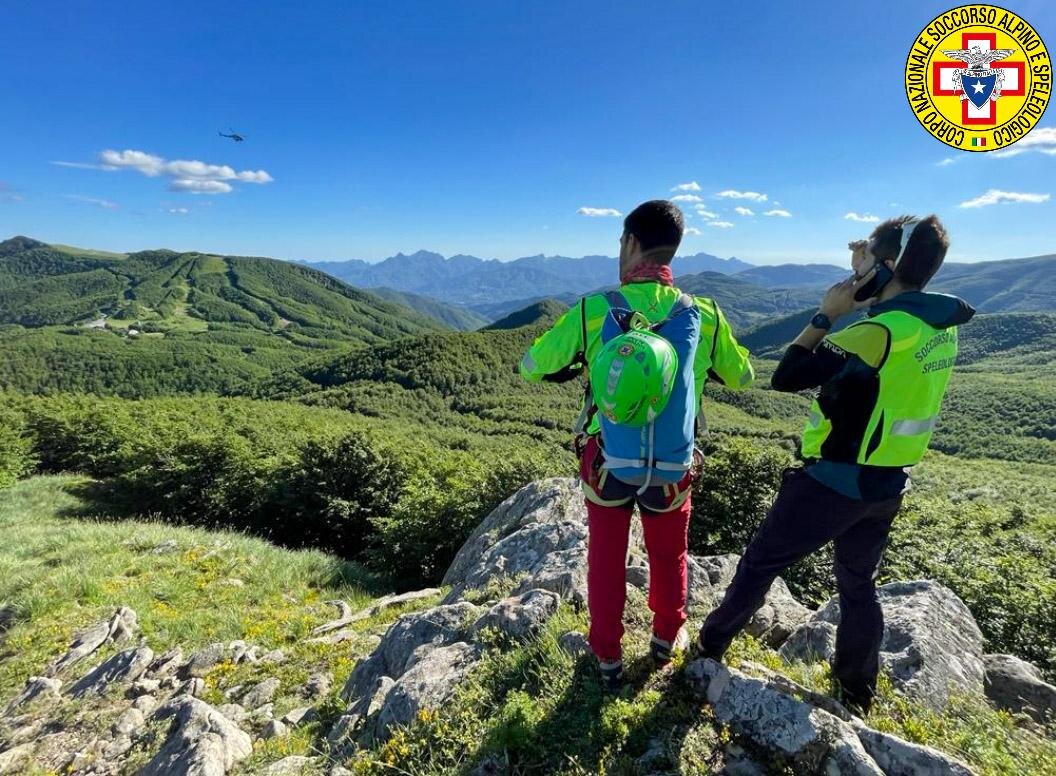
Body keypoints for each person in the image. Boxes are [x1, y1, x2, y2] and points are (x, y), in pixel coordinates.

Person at [694, 214, 975, 712]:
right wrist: (869, 265)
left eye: (865, 260)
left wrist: (827, 313)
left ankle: (707, 651)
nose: (855, 268)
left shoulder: (878, 331)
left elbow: (786, 376)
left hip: (833, 481)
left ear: (889, 266)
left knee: (760, 564)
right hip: (888, 484)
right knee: (857, 585)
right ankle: (856, 689)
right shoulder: (938, 328)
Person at [519, 200, 754, 691]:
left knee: (606, 556)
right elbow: (743, 375)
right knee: (669, 554)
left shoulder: (594, 309)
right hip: (672, 466)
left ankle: (606, 655)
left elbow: (533, 365)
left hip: (608, 464)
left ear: (629, 243)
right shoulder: (704, 313)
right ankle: (666, 637)